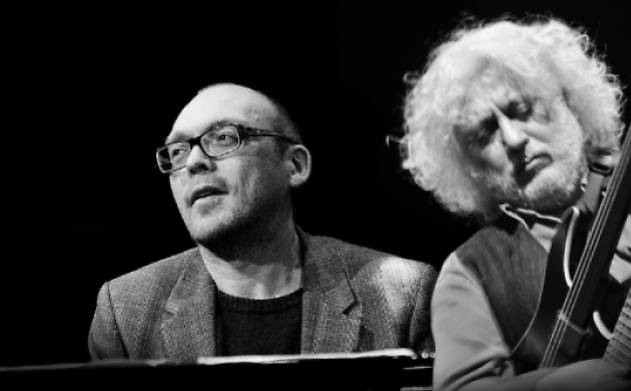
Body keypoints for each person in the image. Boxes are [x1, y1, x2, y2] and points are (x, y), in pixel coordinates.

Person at [399, 17, 631, 391]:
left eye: (522, 110)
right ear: (470, 167)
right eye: (484, 134)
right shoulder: (471, 269)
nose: (513, 139)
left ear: (569, 103)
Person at [88, 83, 436, 361]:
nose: (193, 162)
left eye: (223, 137)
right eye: (177, 151)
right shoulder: (125, 310)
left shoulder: (403, 295)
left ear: (295, 165)